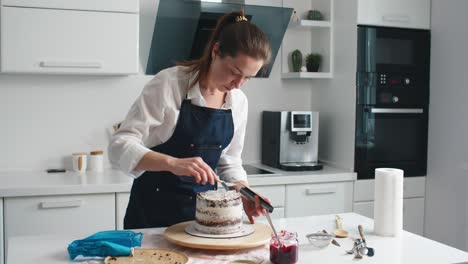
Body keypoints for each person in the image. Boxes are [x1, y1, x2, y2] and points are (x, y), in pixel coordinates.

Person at [108, 10, 271, 229]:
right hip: (152, 219)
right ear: (216, 51)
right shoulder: (169, 84)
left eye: (248, 78)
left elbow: (229, 161)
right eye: (234, 71)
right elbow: (119, 146)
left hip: (204, 224)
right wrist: (172, 163)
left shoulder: (238, 102)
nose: (238, 84)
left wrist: (243, 192)